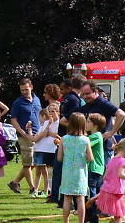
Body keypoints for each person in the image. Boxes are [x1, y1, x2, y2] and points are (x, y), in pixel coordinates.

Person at [76, 80, 125, 167]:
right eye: (83, 94)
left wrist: (111, 132)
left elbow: (122, 115)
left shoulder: (103, 103)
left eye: (87, 94)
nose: (85, 97)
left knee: (103, 177)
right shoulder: (88, 104)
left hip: (104, 148)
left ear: (96, 92)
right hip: (92, 148)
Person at [49, 76, 83, 205]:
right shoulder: (74, 99)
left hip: (62, 136)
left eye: (62, 89)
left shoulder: (66, 99)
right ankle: (60, 196)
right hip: (68, 136)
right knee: (65, 168)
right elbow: (71, 119)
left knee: (58, 168)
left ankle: (56, 195)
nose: (61, 91)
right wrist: (78, 128)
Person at [8, 78, 42, 195]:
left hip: (37, 135)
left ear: (31, 87)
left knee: (33, 163)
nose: (24, 92)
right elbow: (13, 119)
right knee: (28, 163)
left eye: (26, 89)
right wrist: (22, 132)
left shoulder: (37, 99)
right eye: (22, 90)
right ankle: (33, 188)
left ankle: (15, 182)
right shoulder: (18, 102)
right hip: (25, 136)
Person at [59, 112, 94, 223]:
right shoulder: (85, 140)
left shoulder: (64, 139)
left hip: (67, 173)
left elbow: (59, 158)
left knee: (67, 199)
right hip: (80, 174)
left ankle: (66, 221)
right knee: (80, 199)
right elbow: (90, 158)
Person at [97, 137, 125, 223]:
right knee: (119, 215)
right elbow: (121, 174)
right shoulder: (124, 161)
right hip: (116, 192)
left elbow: (105, 177)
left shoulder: (112, 160)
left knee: (117, 214)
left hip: (107, 190)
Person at [30, 107, 58, 198]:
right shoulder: (44, 124)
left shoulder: (58, 123)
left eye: (53, 111)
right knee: (38, 171)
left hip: (47, 149)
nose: (51, 114)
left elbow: (55, 135)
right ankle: (36, 190)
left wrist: (49, 132)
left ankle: (47, 190)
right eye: (49, 112)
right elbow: (40, 136)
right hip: (40, 149)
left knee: (46, 171)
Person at [85, 113, 106, 223]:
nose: (86, 123)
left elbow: (84, 145)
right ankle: (89, 216)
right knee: (96, 193)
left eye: (88, 121)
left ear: (95, 125)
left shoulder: (96, 136)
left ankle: (93, 218)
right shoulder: (95, 135)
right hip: (97, 169)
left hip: (94, 169)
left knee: (91, 195)